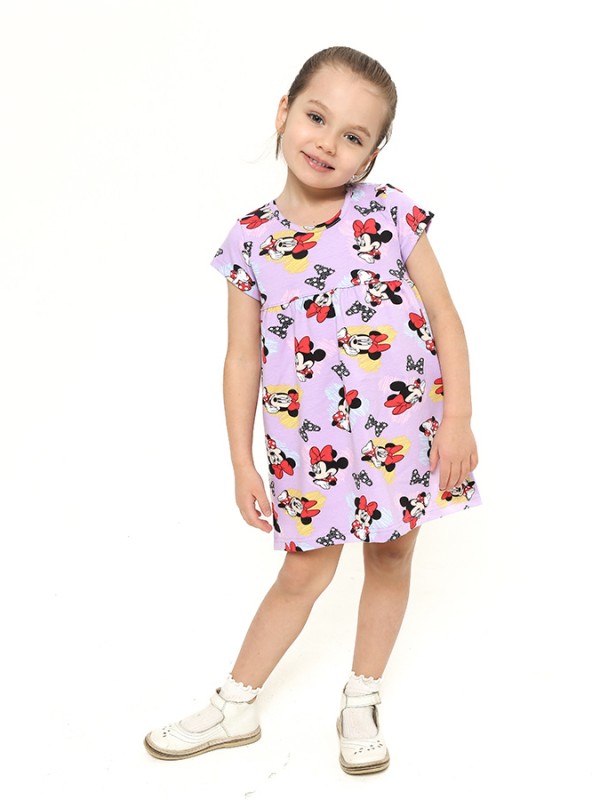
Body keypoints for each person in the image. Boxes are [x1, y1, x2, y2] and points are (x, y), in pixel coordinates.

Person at [144, 45, 482, 776]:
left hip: (404, 431)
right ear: (284, 112)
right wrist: (242, 463)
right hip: (309, 442)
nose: (328, 143)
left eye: (353, 135)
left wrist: (457, 420)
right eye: (317, 117)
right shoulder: (250, 241)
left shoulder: (390, 213)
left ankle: (362, 695)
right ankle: (236, 703)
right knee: (303, 572)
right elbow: (242, 359)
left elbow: (445, 317)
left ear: (373, 153)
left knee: (392, 554)